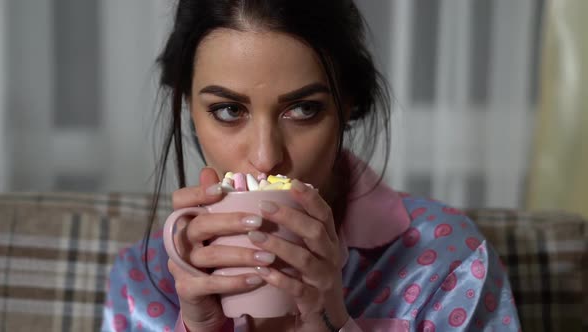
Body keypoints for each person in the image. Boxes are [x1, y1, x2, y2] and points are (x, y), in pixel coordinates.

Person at [101, 0, 521, 331]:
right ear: (189, 109)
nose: (266, 157)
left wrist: (333, 325)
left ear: (348, 107)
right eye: (229, 110)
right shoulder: (144, 277)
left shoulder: (448, 261)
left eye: (303, 109)